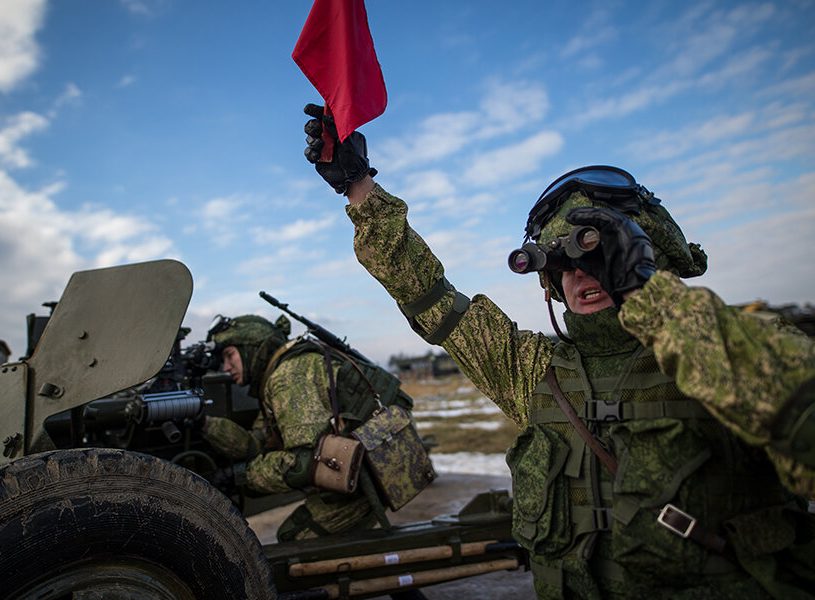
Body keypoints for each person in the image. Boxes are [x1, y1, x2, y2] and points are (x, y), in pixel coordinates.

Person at [301, 104, 815, 599]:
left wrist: (647, 293)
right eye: (562, 265)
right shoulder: (535, 373)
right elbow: (433, 299)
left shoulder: (732, 351)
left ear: (649, 258)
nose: (579, 276)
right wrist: (359, 189)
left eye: (597, 258)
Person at [198, 313, 418, 544]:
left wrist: (240, 476)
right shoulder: (276, 374)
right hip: (359, 471)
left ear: (252, 347)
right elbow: (256, 442)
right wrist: (206, 424)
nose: (226, 367)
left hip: (360, 480)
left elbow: (305, 463)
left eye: (229, 355)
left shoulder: (288, 375)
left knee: (293, 540)